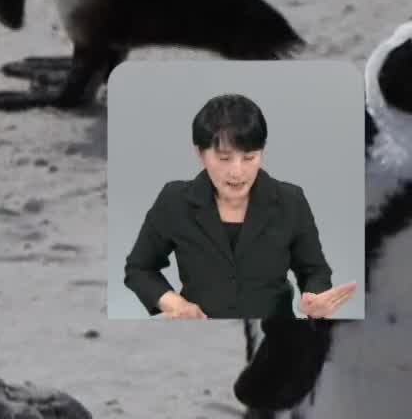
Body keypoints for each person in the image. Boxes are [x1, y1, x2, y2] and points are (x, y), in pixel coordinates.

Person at [121, 93, 359, 321]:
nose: (237, 171)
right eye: (224, 158)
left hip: (274, 332)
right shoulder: (174, 200)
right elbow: (139, 269)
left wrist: (315, 299)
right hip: (197, 333)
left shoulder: (290, 200)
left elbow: (314, 271)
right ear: (200, 153)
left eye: (249, 158)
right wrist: (176, 304)